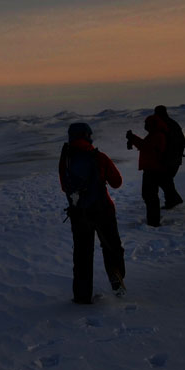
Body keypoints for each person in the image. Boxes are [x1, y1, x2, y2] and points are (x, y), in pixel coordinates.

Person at [58, 122, 125, 303]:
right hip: (103, 210)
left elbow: (65, 187)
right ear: (87, 135)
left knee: (82, 254)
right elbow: (117, 182)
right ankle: (116, 278)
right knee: (112, 247)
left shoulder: (66, 160)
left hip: (78, 213)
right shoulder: (98, 157)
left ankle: (81, 295)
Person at [126, 115, 168, 227]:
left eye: (147, 124)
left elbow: (146, 146)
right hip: (151, 168)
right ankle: (153, 220)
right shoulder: (154, 135)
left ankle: (153, 221)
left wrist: (133, 138)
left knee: (150, 195)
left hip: (153, 169)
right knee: (149, 195)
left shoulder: (158, 135)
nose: (145, 126)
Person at [153, 105, 185, 209]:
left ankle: (172, 201)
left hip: (168, 159)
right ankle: (174, 200)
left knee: (164, 180)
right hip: (175, 158)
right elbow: (182, 140)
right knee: (166, 180)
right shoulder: (173, 123)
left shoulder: (162, 125)